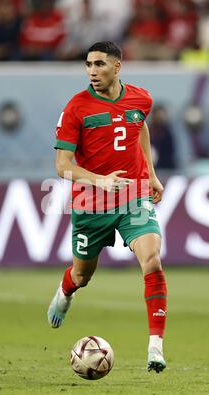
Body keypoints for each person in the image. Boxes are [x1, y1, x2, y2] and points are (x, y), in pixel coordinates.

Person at [47, 41, 168, 373]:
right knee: (83, 274)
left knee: (152, 260)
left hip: (133, 194)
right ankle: (66, 290)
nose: (92, 71)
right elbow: (62, 166)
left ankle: (155, 346)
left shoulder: (141, 98)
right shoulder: (76, 108)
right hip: (92, 203)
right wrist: (100, 180)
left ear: (117, 67)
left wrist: (152, 174)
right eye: (88, 65)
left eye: (99, 64)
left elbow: (138, 126)